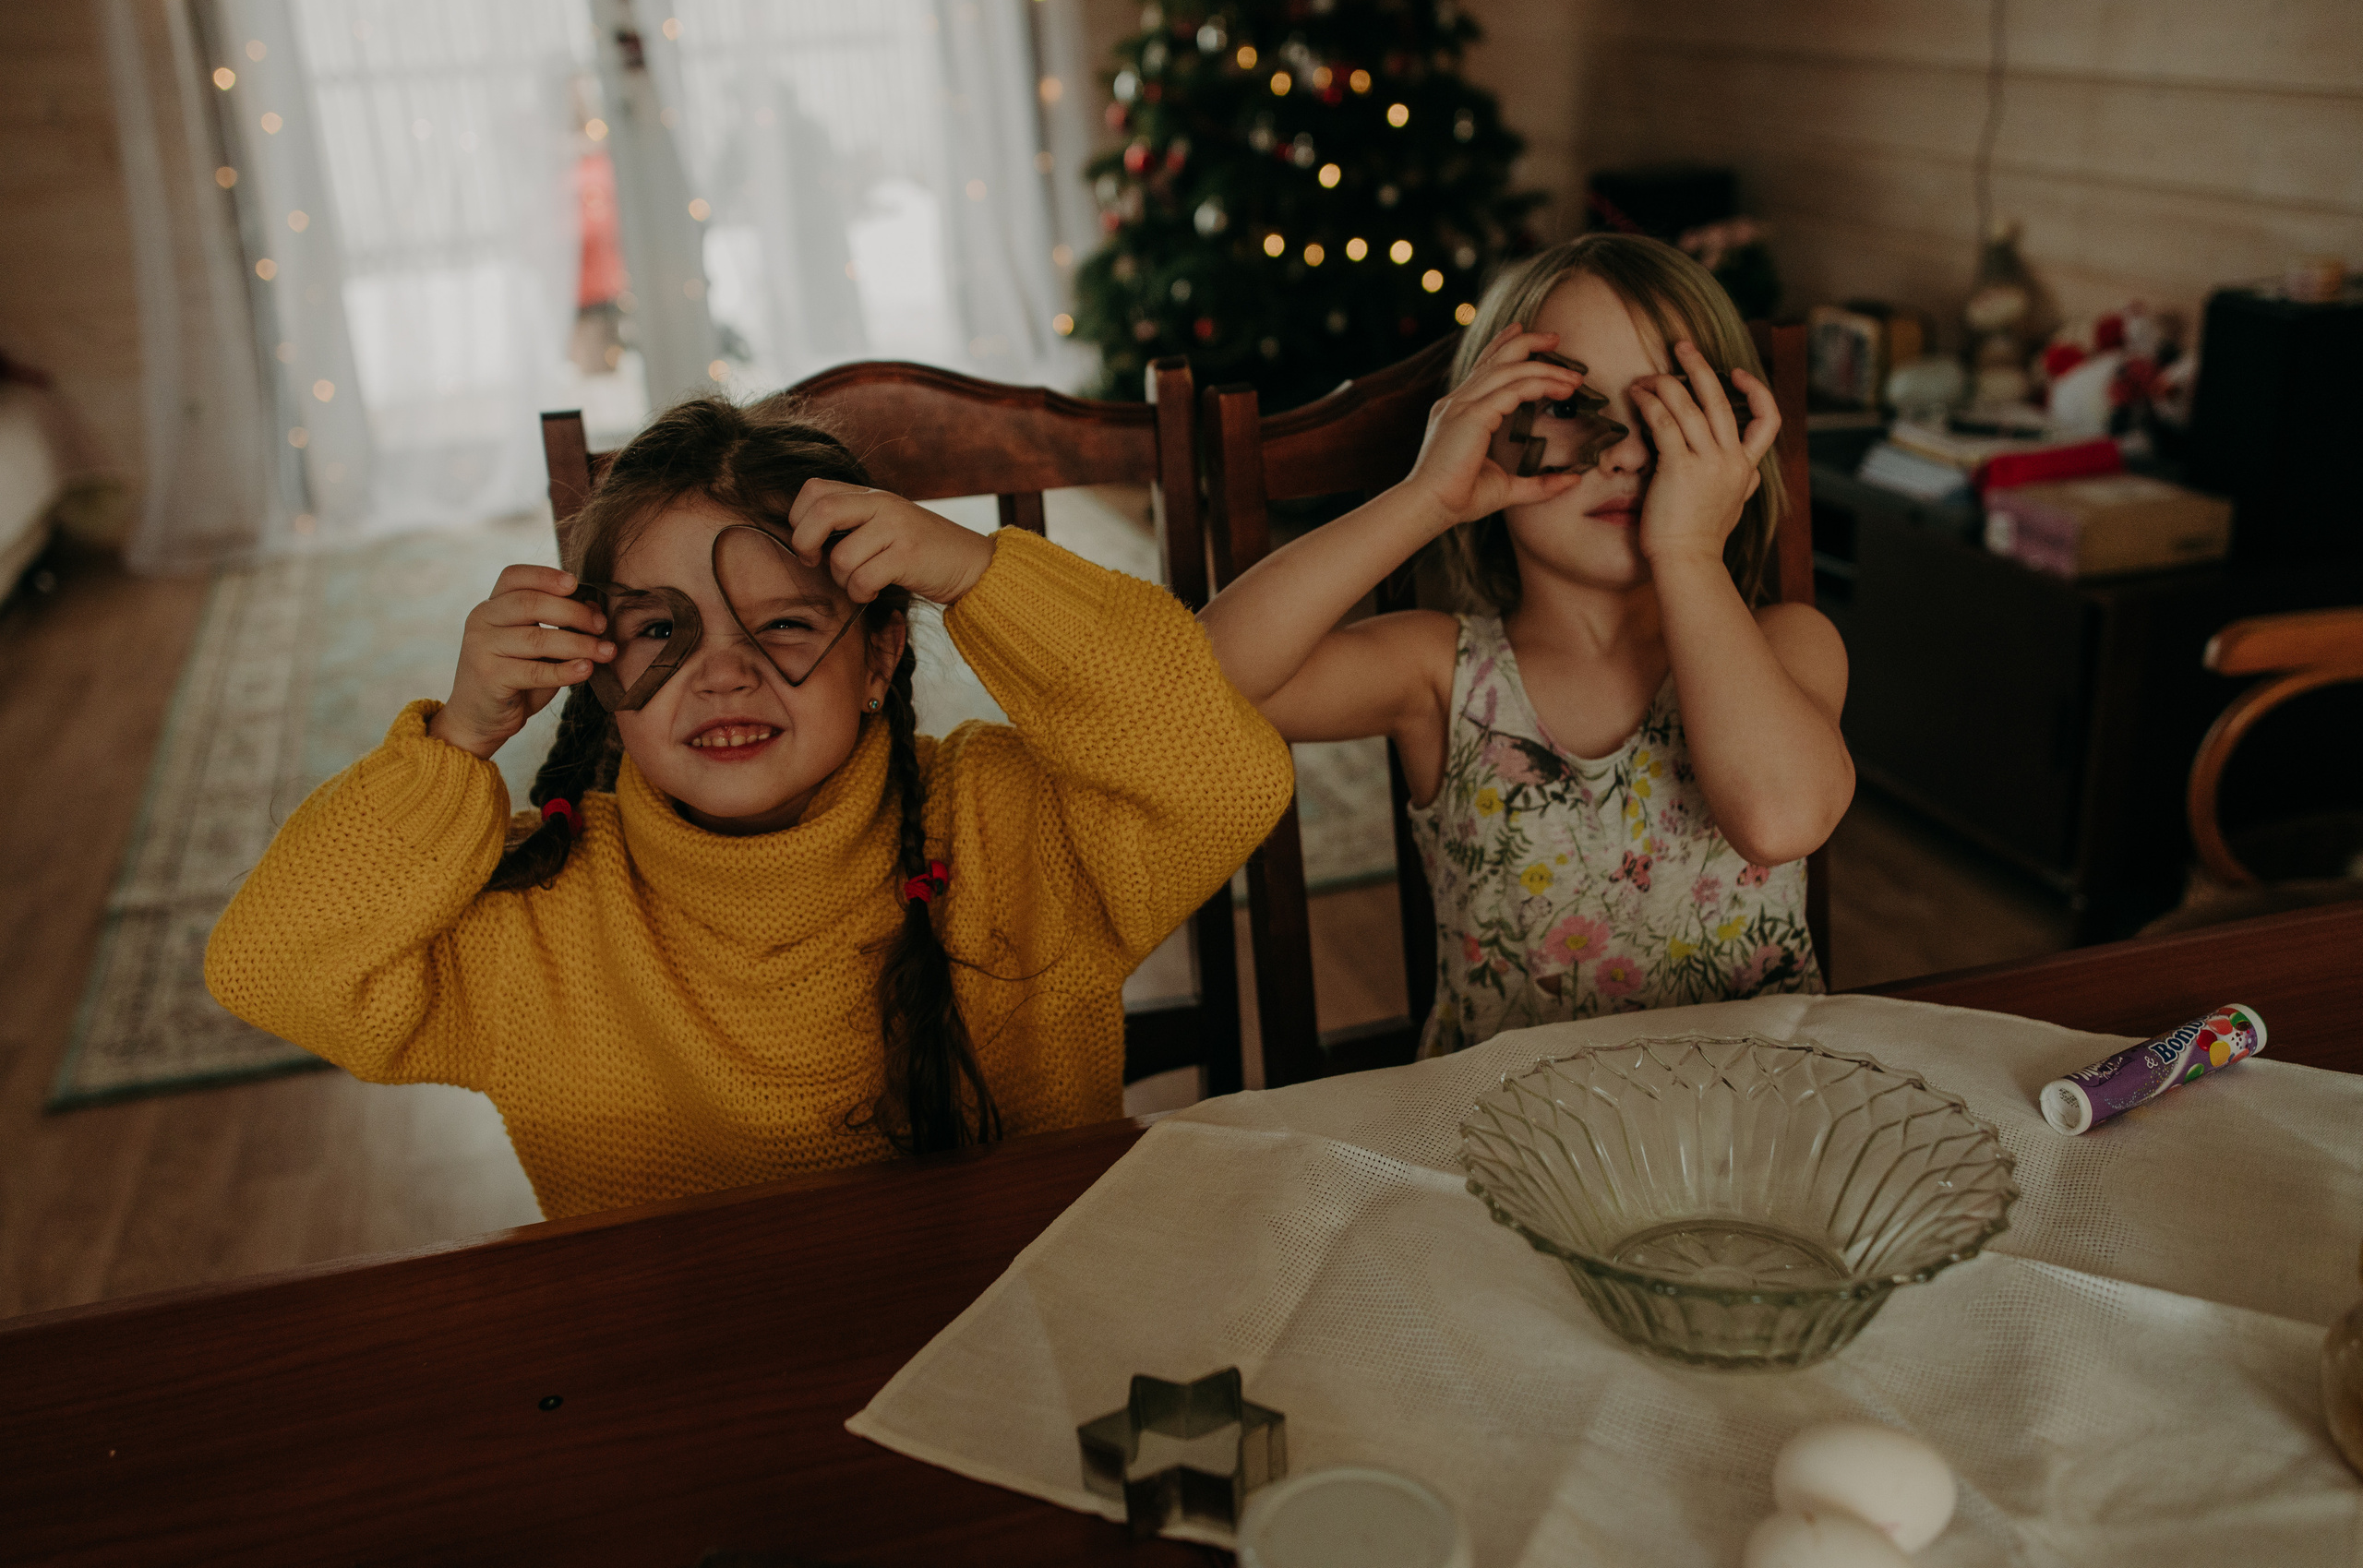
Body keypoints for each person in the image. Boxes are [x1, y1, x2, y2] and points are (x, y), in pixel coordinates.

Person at [206, 397, 1293, 1218]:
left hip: (1022, 1350)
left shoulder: (1013, 827)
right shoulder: (538, 922)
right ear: (591, 669)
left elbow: (1217, 775)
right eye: (662, 633)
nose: (722, 675)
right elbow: (271, 965)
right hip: (692, 1406)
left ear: (876, 658)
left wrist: (979, 574)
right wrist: (457, 744)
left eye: (781, 627)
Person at [1198, 234, 1853, 1056]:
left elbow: (1779, 817)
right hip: (1506, 1144)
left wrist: (1687, 552)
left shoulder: (1789, 642)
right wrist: (1425, 498)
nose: (1624, 452)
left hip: (1751, 1125)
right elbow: (1200, 682)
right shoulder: (1439, 673)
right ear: (1491, 429)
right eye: (1569, 406)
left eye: (1671, 412)